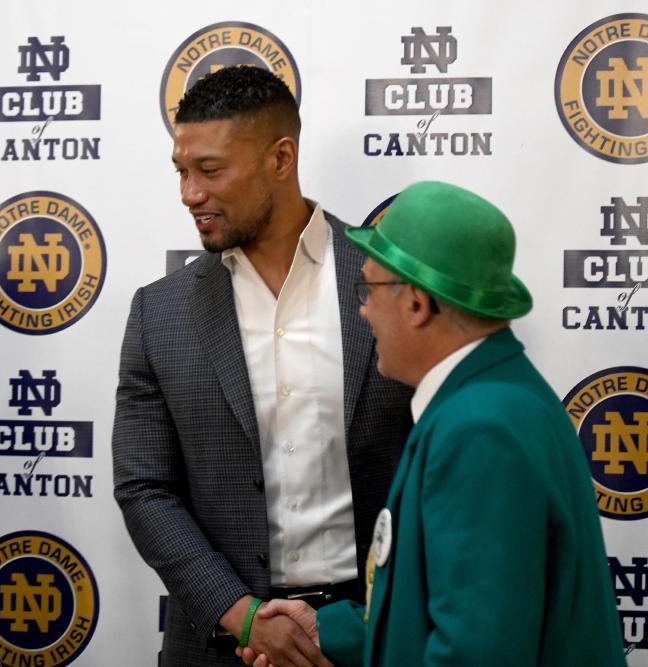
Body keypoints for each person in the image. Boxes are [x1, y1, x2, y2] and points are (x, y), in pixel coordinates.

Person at [242, 180, 626, 667]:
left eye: (369, 288)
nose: (362, 310)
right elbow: (439, 610)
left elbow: (475, 654)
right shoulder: (493, 399)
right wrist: (327, 630)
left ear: (417, 304)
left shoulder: (481, 430)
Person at [112, 65, 412, 666]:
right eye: (182, 171)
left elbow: (433, 466)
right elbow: (145, 487)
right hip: (217, 645)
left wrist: (360, 622)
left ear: (281, 158)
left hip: (373, 634)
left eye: (210, 170)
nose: (189, 193)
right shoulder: (160, 312)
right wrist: (242, 616)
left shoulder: (390, 281)